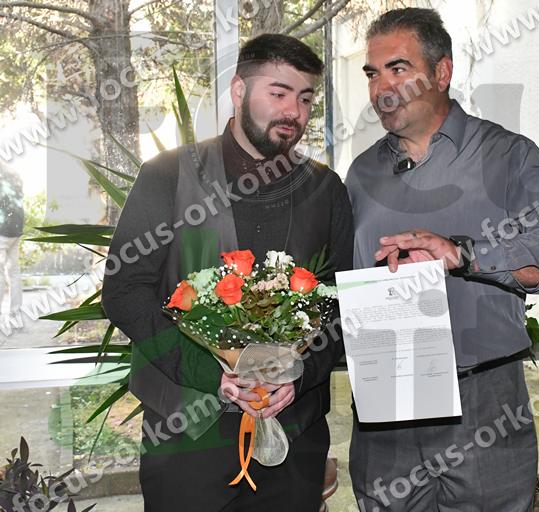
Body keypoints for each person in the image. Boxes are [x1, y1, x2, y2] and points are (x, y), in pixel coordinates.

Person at [345, 8, 539, 511]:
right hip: (386, 404)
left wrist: (466, 255)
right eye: (372, 74)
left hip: (483, 404)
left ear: (442, 72)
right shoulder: (361, 173)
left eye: (398, 69)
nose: (381, 88)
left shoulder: (509, 157)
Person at [102, 34, 353, 511]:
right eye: (278, 93)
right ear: (239, 91)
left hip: (294, 439)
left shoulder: (326, 190)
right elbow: (124, 291)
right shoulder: (167, 175)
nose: (294, 112)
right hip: (186, 437)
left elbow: (343, 304)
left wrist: (299, 380)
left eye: (305, 99)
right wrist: (209, 375)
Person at [0, 164, 24, 317]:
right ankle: (16, 311)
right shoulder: (15, 175)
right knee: (14, 271)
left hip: (2, 230)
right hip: (17, 229)